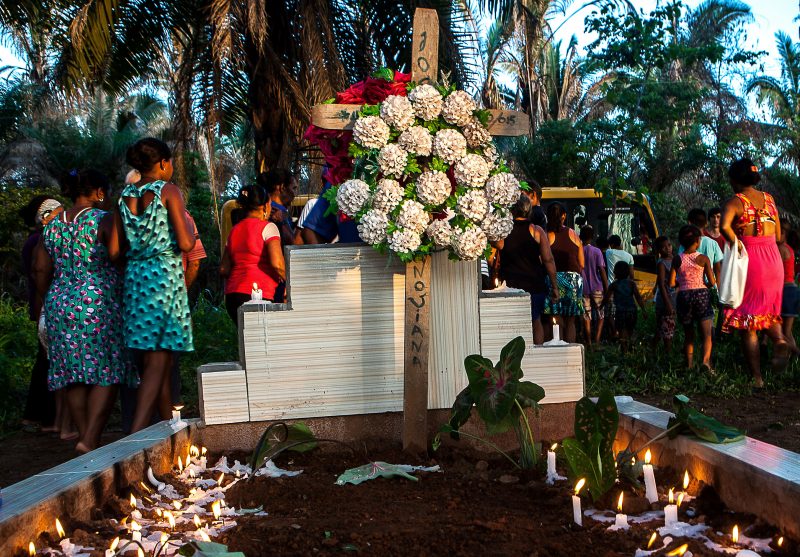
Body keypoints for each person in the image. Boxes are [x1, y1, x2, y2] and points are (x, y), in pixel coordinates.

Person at [33, 169, 134, 452]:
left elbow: (40, 267)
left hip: (59, 301)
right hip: (98, 301)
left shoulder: (51, 226)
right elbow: (117, 255)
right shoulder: (104, 219)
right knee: (108, 368)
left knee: (71, 372)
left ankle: (84, 435)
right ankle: (90, 437)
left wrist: (50, 295)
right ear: (99, 192)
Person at [111, 138, 196, 433]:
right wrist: (189, 238)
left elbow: (114, 250)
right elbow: (185, 242)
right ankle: (135, 435)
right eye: (170, 162)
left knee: (155, 356)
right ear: (162, 163)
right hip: (163, 275)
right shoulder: (168, 191)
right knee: (160, 359)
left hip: (135, 277)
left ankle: (167, 426)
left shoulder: (124, 197)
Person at [720, 158, 788, 387]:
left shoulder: (736, 202)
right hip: (773, 261)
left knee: (748, 322)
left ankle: (757, 378)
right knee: (767, 312)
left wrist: (735, 242)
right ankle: (779, 339)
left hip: (752, 260)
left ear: (735, 180)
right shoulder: (769, 199)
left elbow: (724, 226)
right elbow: (778, 236)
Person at [19, 196, 61, 434]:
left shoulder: (34, 240)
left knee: (46, 360)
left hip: (43, 304)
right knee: (48, 362)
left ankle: (39, 415)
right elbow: (40, 273)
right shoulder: (40, 240)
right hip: (46, 304)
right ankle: (44, 415)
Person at [495, 194, 559, 344]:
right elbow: (548, 259)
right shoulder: (537, 231)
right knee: (535, 321)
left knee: (512, 325)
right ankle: (537, 355)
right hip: (534, 284)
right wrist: (554, 286)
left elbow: (495, 246)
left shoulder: (504, 233)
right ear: (529, 210)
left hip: (510, 286)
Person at [220, 184, 286, 325]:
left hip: (232, 297)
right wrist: (291, 283)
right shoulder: (269, 227)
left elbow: (223, 269)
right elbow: (277, 264)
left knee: (246, 343)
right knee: (261, 342)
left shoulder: (234, 230)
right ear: (265, 206)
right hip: (257, 295)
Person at [669, 225, 716, 371]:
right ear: (697, 241)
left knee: (689, 334)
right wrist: (704, 285)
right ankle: (705, 362)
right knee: (706, 333)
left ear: (681, 242)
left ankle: (689, 365)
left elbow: (671, 283)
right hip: (701, 294)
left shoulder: (677, 259)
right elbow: (712, 282)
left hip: (684, 295)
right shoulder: (703, 259)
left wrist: (682, 283)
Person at [544, 202, 585, 342]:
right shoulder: (573, 234)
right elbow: (582, 263)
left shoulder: (547, 236)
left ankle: (559, 348)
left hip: (555, 278)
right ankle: (571, 351)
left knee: (557, 319)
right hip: (574, 280)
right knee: (571, 322)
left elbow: (542, 260)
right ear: (564, 216)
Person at [602, 261, 646, 352]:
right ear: (627, 272)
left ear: (615, 272)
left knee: (622, 331)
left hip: (620, 312)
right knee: (630, 330)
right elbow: (638, 297)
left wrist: (601, 306)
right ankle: (631, 346)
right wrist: (643, 310)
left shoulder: (614, 285)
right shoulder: (631, 284)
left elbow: (606, 298)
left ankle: (624, 350)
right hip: (632, 311)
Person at [579, 225, 608, 347]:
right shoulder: (597, 251)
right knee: (601, 314)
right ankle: (597, 340)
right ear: (593, 236)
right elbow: (601, 271)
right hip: (597, 287)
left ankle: (589, 342)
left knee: (587, 315)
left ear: (580, 236)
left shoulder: (578, 250)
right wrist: (607, 287)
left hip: (583, 288)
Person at [681, 208, 723, 285]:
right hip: (710, 288)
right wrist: (718, 290)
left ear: (689, 223)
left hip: (688, 286)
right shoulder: (713, 243)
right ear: (706, 223)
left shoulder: (685, 242)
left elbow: (680, 265)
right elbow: (718, 271)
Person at [257, 168, 297, 247]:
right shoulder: (276, 212)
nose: (295, 194)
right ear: (282, 187)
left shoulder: (263, 209)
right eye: (294, 188)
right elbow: (293, 243)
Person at [652, 236, 676, 353]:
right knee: (667, 327)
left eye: (669, 245)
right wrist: (668, 303)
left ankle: (653, 348)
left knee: (661, 326)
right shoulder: (661, 263)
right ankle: (668, 354)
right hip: (665, 300)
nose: (668, 248)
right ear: (659, 250)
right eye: (664, 247)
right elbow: (661, 284)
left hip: (672, 298)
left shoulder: (675, 259)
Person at [779, 229, 800, 356]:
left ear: (784, 235)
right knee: (787, 331)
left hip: (786, 291)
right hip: (792, 289)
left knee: (782, 332)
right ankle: (790, 357)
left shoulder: (781, 249)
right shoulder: (789, 249)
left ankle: (796, 353)